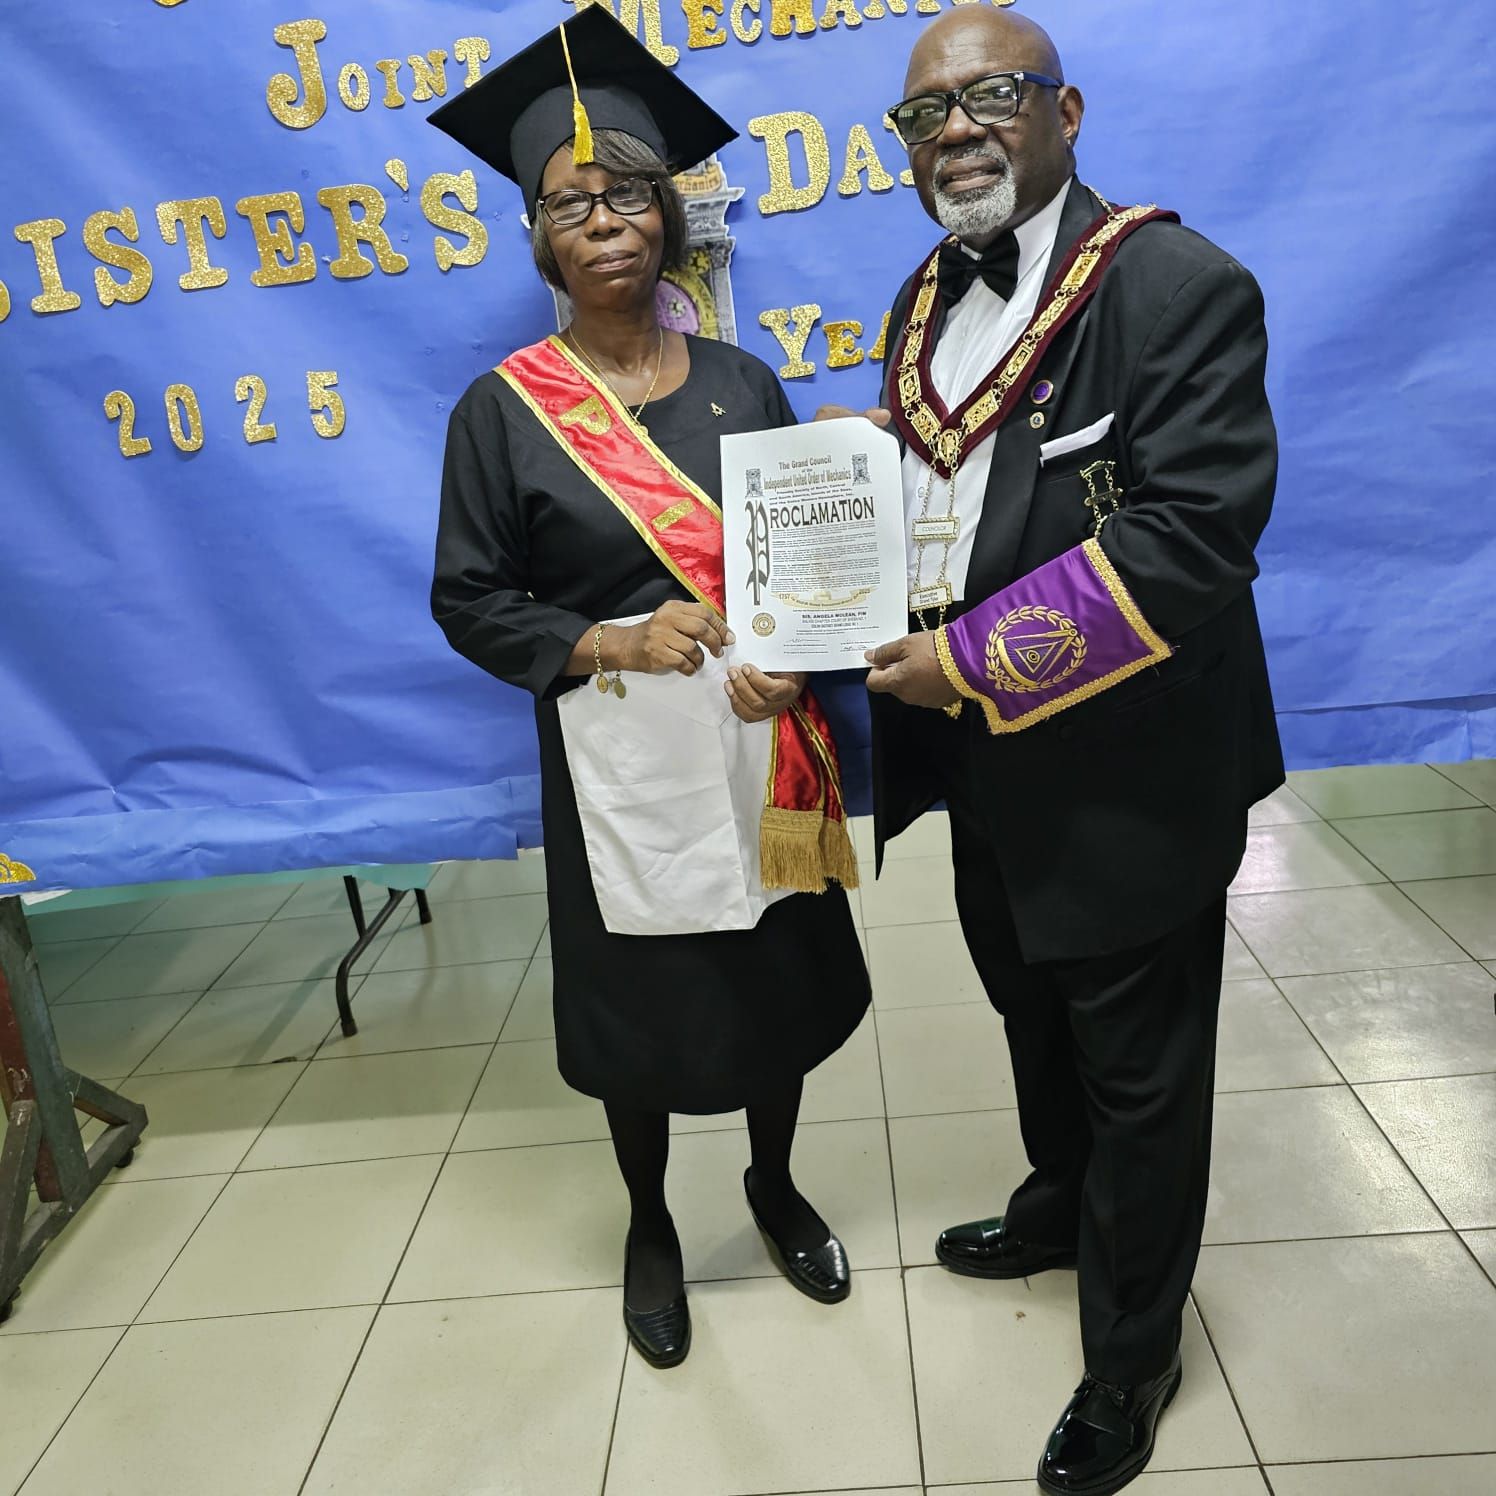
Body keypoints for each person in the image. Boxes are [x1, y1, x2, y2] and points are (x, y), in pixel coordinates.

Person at [827, 7, 1283, 1493]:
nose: (956, 131)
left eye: (993, 96)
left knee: (1140, 1067)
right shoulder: (921, 296)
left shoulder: (1175, 283)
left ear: (1066, 113)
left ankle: (1133, 1353)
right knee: (1029, 1005)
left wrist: (963, 659)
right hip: (983, 766)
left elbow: (1194, 534)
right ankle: (1058, 1201)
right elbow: (950, 484)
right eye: (925, 114)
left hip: (1132, 771)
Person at [428, 6, 869, 1371]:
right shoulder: (502, 412)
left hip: (761, 743)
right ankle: (651, 1222)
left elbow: (805, 566)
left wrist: (793, 657)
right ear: (540, 235)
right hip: (616, 766)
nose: (605, 220)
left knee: (773, 974)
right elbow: (470, 599)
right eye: (572, 203)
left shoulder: (743, 379)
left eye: (628, 192)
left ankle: (773, 1185)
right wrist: (609, 643)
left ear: (670, 214)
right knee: (643, 996)